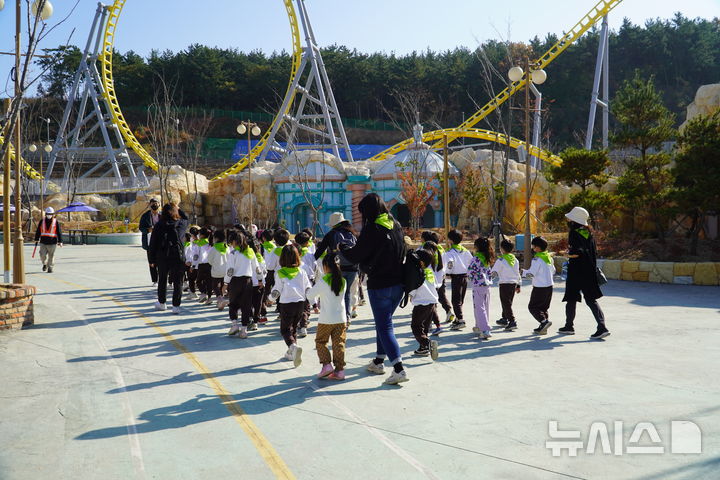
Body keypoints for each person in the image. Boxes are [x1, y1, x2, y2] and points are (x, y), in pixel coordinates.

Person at [339, 193, 409, 385]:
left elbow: (356, 255)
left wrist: (342, 248)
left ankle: (399, 368)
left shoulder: (373, 229)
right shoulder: (395, 224)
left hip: (380, 285)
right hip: (399, 284)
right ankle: (379, 360)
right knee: (383, 323)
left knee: (385, 326)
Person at [559, 207, 610, 340]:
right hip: (588, 270)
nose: (568, 219)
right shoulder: (588, 233)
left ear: (575, 219)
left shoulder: (574, 233)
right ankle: (601, 326)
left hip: (576, 271)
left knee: (571, 298)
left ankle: (569, 326)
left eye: (570, 217)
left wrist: (567, 254)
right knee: (591, 299)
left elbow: (577, 252)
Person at [306, 253, 348, 380]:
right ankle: (340, 370)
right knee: (339, 343)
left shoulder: (323, 281)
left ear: (325, 266)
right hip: (341, 318)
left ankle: (326, 365)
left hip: (326, 319)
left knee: (321, 341)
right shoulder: (343, 281)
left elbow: (310, 295)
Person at [314, 212, 359, 323]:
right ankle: (347, 316)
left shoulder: (331, 234)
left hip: (337, 267)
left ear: (333, 224)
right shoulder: (352, 233)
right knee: (347, 292)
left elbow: (319, 252)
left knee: (335, 292)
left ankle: (337, 316)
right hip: (353, 267)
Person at [271, 244, 311, 368]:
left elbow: (277, 290)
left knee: (285, 330)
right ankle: (291, 352)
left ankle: (293, 347)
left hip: (287, 304)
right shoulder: (302, 271)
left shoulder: (280, 272)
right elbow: (308, 287)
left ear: (282, 258)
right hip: (300, 303)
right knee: (293, 327)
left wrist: (270, 299)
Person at [148, 203, 189, 314]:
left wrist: (151, 260)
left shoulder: (158, 225)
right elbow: (186, 217)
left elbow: (153, 244)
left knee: (162, 279)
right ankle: (176, 306)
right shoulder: (181, 224)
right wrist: (178, 208)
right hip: (178, 256)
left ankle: (162, 303)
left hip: (163, 256)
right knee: (178, 282)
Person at [225, 230, 261, 339]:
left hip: (235, 281)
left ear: (235, 242)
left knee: (233, 303)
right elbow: (257, 268)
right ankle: (244, 330)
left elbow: (230, 269)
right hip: (248, 281)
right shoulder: (250, 252)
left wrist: (226, 282)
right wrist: (260, 280)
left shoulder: (233, 253)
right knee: (246, 305)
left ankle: (235, 325)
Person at [408, 248, 440, 360]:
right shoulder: (429, 271)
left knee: (416, 326)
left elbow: (414, 287)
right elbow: (436, 285)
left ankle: (427, 342)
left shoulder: (418, 273)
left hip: (421, 303)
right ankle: (423, 348)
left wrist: (410, 295)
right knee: (424, 326)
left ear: (420, 262)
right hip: (432, 302)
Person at [521, 236, 556, 335]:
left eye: (533, 246)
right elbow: (553, 271)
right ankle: (543, 327)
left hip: (540, 287)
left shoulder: (537, 259)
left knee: (533, 307)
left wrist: (522, 272)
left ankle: (544, 322)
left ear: (538, 247)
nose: (532, 248)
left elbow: (531, 274)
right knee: (544, 307)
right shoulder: (548, 257)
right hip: (549, 286)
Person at [445, 229, 474, 331]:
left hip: (456, 277)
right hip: (464, 277)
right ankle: (458, 318)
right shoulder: (465, 250)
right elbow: (471, 262)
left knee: (455, 300)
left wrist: (447, 272)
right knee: (460, 299)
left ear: (451, 240)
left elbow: (449, 263)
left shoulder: (450, 252)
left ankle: (461, 320)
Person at [491, 239, 521, 331]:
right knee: (508, 302)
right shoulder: (515, 260)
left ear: (502, 249)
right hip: (513, 284)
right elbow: (517, 273)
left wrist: (488, 278)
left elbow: (494, 272)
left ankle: (512, 321)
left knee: (505, 303)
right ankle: (504, 318)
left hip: (504, 284)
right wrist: (519, 284)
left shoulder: (501, 260)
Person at [468, 236, 494, 340]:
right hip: (487, 285)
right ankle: (479, 325)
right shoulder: (487, 257)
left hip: (477, 285)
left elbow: (470, 271)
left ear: (476, 246)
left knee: (479, 307)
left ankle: (485, 329)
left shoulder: (476, 258)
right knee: (485, 307)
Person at [422, 231, 451, 321]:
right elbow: (446, 263)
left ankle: (432, 320)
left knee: (430, 299)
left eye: (422, 238)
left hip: (429, 278)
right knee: (441, 295)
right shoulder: (441, 249)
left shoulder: (425, 249)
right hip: (440, 277)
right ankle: (449, 311)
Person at [421, 241, 445, 336]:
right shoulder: (438, 257)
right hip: (436, 285)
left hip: (429, 285)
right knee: (432, 306)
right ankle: (436, 326)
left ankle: (432, 326)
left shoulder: (428, 258)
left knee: (428, 306)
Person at [295, 231, 315, 338]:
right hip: (309, 281)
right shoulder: (311, 255)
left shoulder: (295, 253)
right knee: (306, 304)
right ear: (308, 243)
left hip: (297, 281)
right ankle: (303, 325)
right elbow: (315, 267)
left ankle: (300, 323)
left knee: (299, 304)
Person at [34, 207, 63, 273]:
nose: (49, 215)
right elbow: (38, 230)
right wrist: (36, 239)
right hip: (43, 242)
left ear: (53, 214)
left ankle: (50, 268)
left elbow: (59, 232)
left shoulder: (56, 222)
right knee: (42, 255)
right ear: (46, 214)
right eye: (48, 214)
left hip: (52, 242)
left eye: (50, 214)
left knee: (51, 255)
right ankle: (45, 264)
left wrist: (60, 241)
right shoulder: (42, 221)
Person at [139, 198, 161, 286]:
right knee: (152, 261)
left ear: (159, 204)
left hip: (161, 242)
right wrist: (148, 230)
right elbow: (141, 228)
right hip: (149, 241)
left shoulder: (163, 215)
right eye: (152, 204)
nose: (154, 205)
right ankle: (155, 280)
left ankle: (162, 278)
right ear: (149, 205)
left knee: (162, 261)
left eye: (156, 203)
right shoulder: (145, 216)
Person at [207, 229, 229, 310]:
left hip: (216, 270)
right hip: (225, 270)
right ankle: (221, 299)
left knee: (215, 286)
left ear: (216, 238)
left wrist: (214, 264)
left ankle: (220, 298)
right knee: (223, 285)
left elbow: (209, 259)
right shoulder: (227, 247)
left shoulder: (214, 248)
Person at [194, 227, 213, 303]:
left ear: (201, 235)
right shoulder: (210, 243)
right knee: (209, 281)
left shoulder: (198, 244)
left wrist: (193, 265)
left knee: (198, 281)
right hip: (210, 265)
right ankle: (209, 298)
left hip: (201, 265)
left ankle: (203, 293)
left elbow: (196, 256)